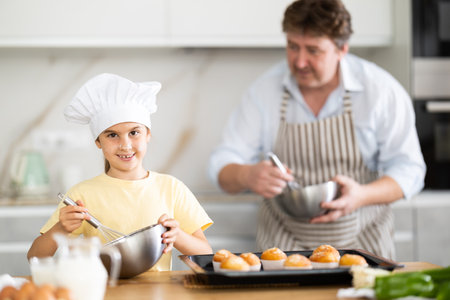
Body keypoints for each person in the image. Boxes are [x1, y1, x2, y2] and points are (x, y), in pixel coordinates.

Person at [208, 0, 425, 259]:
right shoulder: (263, 92)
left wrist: (362, 195)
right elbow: (221, 164)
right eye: (292, 47)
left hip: (364, 246)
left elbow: (410, 170)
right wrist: (246, 175)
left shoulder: (380, 91)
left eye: (313, 50)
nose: (300, 62)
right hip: (282, 251)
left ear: (341, 49)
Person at [28, 73, 213, 271]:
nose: (125, 145)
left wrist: (178, 236)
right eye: (112, 135)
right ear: (98, 142)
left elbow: (205, 254)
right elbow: (35, 256)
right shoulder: (82, 194)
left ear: (147, 134)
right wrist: (61, 228)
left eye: (134, 132)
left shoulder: (171, 188)